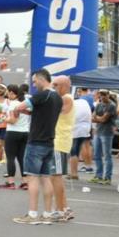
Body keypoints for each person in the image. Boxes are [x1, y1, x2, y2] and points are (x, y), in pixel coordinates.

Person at [12, 69, 62, 224]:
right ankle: (47, 214)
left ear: (42, 79)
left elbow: (20, 106)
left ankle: (32, 214)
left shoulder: (42, 95)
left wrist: (15, 110)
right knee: (46, 178)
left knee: (32, 178)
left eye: (35, 81)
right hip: (49, 141)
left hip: (36, 142)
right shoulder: (57, 98)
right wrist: (27, 113)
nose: (34, 85)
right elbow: (40, 113)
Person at [49, 76, 74, 222]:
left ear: (64, 86)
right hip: (60, 141)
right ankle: (64, 208)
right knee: (56, 177)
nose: (54, 87)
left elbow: (56, 111)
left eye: (56, 85)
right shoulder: (65, 97)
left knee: (55, 177)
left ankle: (60, 210)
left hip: (59, 142)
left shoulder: (65, 98)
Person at [0, 85, 29, 190]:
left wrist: (4, 118)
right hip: (25, 132)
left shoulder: (13, 104)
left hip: (13, 132)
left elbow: (13, 120)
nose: (7, 94)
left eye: (8, 92)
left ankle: (11, 182)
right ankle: (25, 182)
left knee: (11, 157)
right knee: (22, 158)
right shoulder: (24, 103)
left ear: (12, 93)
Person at [90, 90, 116, 185]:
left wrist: (97, 118)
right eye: (101, 95)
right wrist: (98, 118)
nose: (102, 97)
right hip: (98, 132)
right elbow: (93, 118)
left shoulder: (111, 106)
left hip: (107, 133)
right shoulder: (99, 105)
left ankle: (107, 178)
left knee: (107, 156)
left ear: (108, 95)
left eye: (104, 95)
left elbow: (104, 119)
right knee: (97, 155)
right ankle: (98, 175)